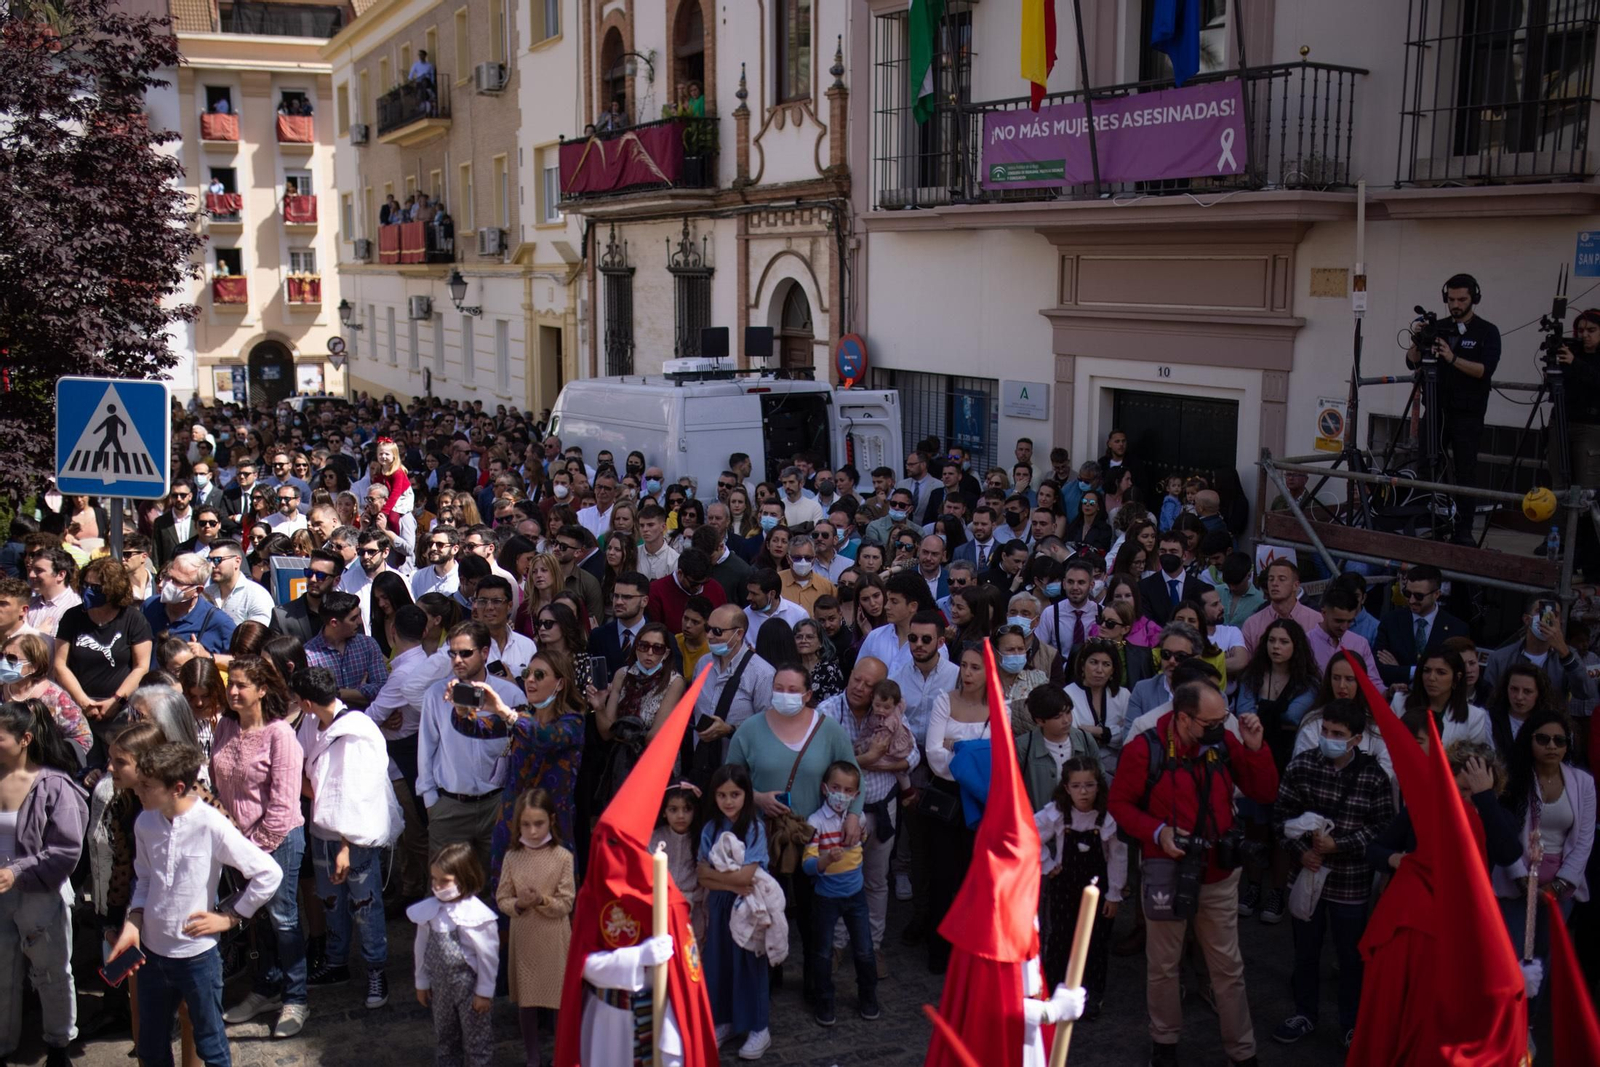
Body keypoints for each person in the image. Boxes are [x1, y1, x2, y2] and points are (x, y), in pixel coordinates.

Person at [1107, 681, 1279, 1067]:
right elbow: (1119, 803)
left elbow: (1265, 793)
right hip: (1166, 870)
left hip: (1218, 873)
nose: (1222, 727)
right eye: (1212, 721)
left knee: (1228, 968)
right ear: (1183, 719)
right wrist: (1157, 832)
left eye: (1224, 718)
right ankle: (1164, 1044)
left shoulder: (1224, 741)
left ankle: (1242, 1052)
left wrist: (1256, 749)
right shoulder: (1145, 749)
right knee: (1164, 966)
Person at [111, 741, 283, 1067]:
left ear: (176, 788)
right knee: (150, 1047)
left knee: (211, 1046)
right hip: (151, 955)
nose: (139, 791)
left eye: (147, 786)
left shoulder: (209, 824)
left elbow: (268, 873)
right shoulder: (145, 823)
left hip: (197, 959)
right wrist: (133, 924)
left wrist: (232, 917)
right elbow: (145, 880)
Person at [1270, 697, 1394, 1049]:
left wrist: (1341, 846)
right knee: (1305, 952)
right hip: (1307, 879)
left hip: (1350, 883)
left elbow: (1383, 827)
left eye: (1337, 733)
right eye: (1325, 731)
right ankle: (1304, 1013)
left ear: (1356, 739)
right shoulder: (1302, 766)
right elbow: (1280, 818)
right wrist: (1302, 852)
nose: (1328, 737)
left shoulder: (1373, 776)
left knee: (1351, 956)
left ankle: (1352, 1023)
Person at [293, 668, 402, 1014]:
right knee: (331, 902)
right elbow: (304, 773)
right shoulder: (312, 725)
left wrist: (345, 845)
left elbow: (355, 791)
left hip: (353, 835)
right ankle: (337, 962)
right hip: (321, 828)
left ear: (307, 702)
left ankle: (375, 969)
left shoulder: (356, 730)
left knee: (364, 903)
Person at [209, 657, 309, 1026]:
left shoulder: (280, 734)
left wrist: (255, 849)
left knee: (283, 920)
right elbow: (216, 783)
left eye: (241, 685)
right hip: (237, 843)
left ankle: (296, 998)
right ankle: (266, 989)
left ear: (262, 690)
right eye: (230, 684)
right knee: (258, 921)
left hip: (277, 841)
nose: (233, 691)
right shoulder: (225, 726)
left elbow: (284, 802)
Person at [0, 699, 88, 1067]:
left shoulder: (54, 786)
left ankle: (58, 1046)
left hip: (40, 895)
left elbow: (66, 849)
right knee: (2, 971)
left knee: (52, 972)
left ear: (25, 739)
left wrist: (17, 871)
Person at [1492, 707, 1595, 1020]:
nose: (1552, 745)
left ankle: (1529, 1027)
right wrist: (1525, 882)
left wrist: (1559, 885)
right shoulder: (1511, 780)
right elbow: (1504, 836)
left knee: (1542, 959)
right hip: (1515, 883)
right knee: (1507, 956)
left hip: (1559, 890)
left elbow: (1584, 840)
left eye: (1560, 740)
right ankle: (1503, 1023)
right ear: (1530, 741)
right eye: (1544, 739)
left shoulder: (1583, 782)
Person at [451, 647, 585, 888]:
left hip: (550, 825)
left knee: (549, 901)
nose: (530, 680)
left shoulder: (573, 722)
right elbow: (477, 729)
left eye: (540, 675)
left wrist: (504, 712)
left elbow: (545, 738)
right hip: (512, 821)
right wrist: (462, 710)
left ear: (560, 683)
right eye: (527, 673)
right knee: (508, 896)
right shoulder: (522, 715)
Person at [416, 621, 526, 870]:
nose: (457, 660)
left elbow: (522, 747)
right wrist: (431, 801)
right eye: (452, 653)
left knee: (496, 885)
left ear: (485, 653)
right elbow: (427, 748)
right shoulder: (436, 694)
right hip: (451, 805)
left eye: (465, 653)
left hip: (497, 804)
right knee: (448, 888)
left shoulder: (509, 695)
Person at [1405, 274, 1501, 542]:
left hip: (1467, 414)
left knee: (1465, 471)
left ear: (1474, 299)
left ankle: (1463, 529)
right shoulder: (1438, 326)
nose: (1456, 305)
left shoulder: (1487, 331)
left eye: (1462, 300)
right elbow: (1412, 362)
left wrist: (1452, 357)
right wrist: (1417, 339)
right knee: (1426, 465)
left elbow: (1484, 370)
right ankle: (1426, 521)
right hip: (1435, 409)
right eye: (1451, 300)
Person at [1035, 754, 1124, 1016]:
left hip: (1098, 891)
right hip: (1064, 888)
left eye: (1089, 785)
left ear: (1099, 786)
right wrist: (1048, 865)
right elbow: (1029, 834)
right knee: (1061, 938)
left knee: (1096, 942)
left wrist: (1114, 894)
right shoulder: (1058, 814)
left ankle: (1092, 995)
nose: (1083, 792)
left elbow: (1118, 855)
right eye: (1076, 786)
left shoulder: (1107, 817)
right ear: (1066, 788)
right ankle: (1052, 991)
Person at [696, 762, 773, 1058]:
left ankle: (758, 1026)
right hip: (719, 904)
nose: (728, 801)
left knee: (749, 963)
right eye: (722, 795)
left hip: (747, 905)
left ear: (746, 795)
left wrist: (720, 879)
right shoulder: (710, 828)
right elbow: (703, 875)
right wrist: (729, 884)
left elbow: (747, 877)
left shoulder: (753, 827)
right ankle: (724, 1019)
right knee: (719, 961)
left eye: (735, 794)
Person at [496, 788, 574, 1067]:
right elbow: (502, 898)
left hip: (554, 937)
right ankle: (533, 1056)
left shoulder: (563, 857)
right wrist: (518, 904)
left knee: (558, 998)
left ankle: (561, 1054)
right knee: (527, 999)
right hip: (525, 936)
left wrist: (541, 900)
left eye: (538, 823)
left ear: (551, 820)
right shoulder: (512, 858)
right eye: (526, 824)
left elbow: (566, 903)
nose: (532, 831)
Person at [801, 760, 880, 1027]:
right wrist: (825, 861)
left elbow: (862, 847)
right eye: (836, 788)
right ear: (825, 789)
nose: (841, 795)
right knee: (822, 952)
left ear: (856, 795)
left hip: (855, 895)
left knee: (865, 950)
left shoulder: (858, 820)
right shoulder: (815, 822)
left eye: (848, 790)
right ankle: (824, 1000)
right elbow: (808, 866)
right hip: (826, 897)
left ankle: (868, 997)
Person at [409, 844, 499, 1067]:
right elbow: (420, 947)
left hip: (469, 989)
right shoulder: (430, 913)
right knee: (445, 1037)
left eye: (444, 880)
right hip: (440, 989)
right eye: (433, 879)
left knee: (477, 1040)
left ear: (464, 878)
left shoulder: (477, 915)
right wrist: (422, 982)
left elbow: (488, 956)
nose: (437, 886)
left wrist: (484, 992)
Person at [53, 555, 153, 740]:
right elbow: (60, 664)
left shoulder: (133, 619)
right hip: (78, 707)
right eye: (85, 585)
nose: (88, 591)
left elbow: (141, 667)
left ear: (113, 590)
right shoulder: (72, 617)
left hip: (121, 710)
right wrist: (84, 702)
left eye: (96, 588)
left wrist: (116, 701)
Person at [1481, 595, 1595, 708]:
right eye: (1540, 612)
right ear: (1527, 619)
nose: (1546, 618)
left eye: (1553, 615)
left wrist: (1565, 654)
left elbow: (1586, 693)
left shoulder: (1568, 655)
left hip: (1550, 723)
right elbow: (1489, 701)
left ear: (1560, 622)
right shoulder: (1501, 658)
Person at [1373, 564, 1471, 687]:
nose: (1412, 600)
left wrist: (1405, 670)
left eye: (1419, 596)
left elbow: (1454, 673)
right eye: (1407, 593)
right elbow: (1379, 669)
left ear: (1436, 594)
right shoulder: (1391, 621)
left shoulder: (1457, 629)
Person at [143, 552, 236, 655]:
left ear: (198, 590)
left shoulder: (218, 621)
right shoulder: (150, 606)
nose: (165, 584)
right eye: (167, 576)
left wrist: (208, 656)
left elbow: (243, 662)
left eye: (177, 581)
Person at [1397, 648, 1491, 747]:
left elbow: (1472, 757)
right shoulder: (1400, 702)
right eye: (1427, 671)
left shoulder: (1475, 717)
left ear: (1457, 677)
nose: (1431, 678)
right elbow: (1385, 747)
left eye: (1441, 672)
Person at [1065, 637, 1130, 776]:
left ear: (1113, 670)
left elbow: (1127, 735)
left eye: (1106, 664)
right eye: (1094, 662)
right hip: (1081, 766)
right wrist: (1112, 733)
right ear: (1083, 665)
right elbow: (1076, 738)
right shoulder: (1068, 694)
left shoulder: (1123, 695)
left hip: (1119, 766)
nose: (1099, 670)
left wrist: (1096, 731)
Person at [1240, 558, 1320, 655]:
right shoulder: (1252, 624)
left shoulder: (1316, 621)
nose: (1274, 584)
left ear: (1295, 585)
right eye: (1271, 579)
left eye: (1282, 579)